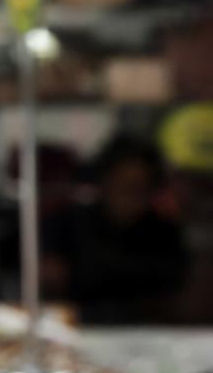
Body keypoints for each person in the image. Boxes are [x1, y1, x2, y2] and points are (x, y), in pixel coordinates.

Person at [42, 135, 190, 323]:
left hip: (148, 330)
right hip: (77, 327)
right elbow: (53, 287)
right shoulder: (67, 224)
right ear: (104, 181)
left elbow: (173, 298)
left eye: (139, 188)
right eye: (122, 186)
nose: (130, 198)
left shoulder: (165, 234)